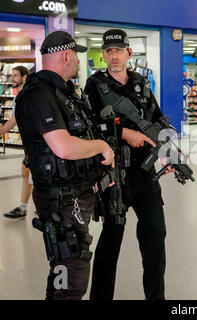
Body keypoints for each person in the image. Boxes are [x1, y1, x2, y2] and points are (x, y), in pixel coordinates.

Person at [14, 31, 115, 300]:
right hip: (61, 200)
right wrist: (102, 148)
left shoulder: (61, 93)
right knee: (68, 278)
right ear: (67, 55)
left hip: (73, 195)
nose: (78, 63)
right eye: (77, 57)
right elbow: (63, 146)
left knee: (72, 272)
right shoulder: (39, 95)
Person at [84, 29, 171, 300]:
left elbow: (158, 117)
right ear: (104, 54)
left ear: (128, 52)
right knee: (110, 244)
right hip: (113, 176)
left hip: (144, 173)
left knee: (155, 241)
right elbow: (87, 126)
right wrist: (124, 134)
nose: (114, 56)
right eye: (109, 51)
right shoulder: (94, 85)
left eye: (118, 50)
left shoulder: (141, 83)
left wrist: (164, 142)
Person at [1, 66, 32, 218]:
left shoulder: (27, 95)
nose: (12, 78)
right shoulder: (19, 95)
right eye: (11, 75)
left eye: (15, 76)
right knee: (27, 172)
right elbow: (14, 120)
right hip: (30, 142)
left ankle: (32, 207)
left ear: (24, 77)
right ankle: (23, 207)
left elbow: (13, 121)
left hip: (35, 143)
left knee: (32, 173)